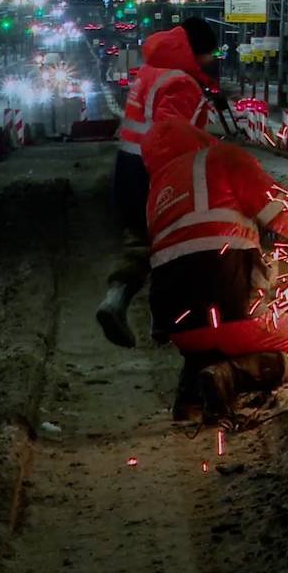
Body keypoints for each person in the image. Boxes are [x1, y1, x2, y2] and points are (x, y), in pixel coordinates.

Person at [139, 119, 288, 420]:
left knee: (210, 333)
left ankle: (192, 396)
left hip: (178, 329)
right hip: (233, 312)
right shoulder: (224, 157)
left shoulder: (157, 189)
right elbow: (287, 218)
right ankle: (230, 376)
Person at [97, 18, 218, 347]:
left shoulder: (153, 69)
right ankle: (164, 323)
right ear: (196, 51)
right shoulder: (180, 82)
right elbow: (172, 136)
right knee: (172, 246)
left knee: (137, 241)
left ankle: (115, 300)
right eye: (209, 53)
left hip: (128, 168)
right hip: (156, 171)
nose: (212, 59)